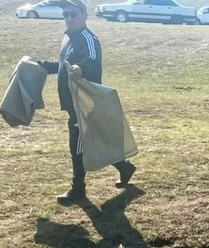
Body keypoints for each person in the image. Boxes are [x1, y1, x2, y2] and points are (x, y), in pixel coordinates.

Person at [38, 0, 136, 204]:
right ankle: (124, 167)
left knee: (78, 145)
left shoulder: (88, 38)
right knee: (95, 140)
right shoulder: (69, 38)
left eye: (73, 14)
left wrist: (80, 68)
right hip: (72, 101)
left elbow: (91, 59)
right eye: (66, 15)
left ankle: (78, 189)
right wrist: (42, 66)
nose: (69, 18)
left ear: (84, 15)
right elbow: (63, 65)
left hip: (85, 103)